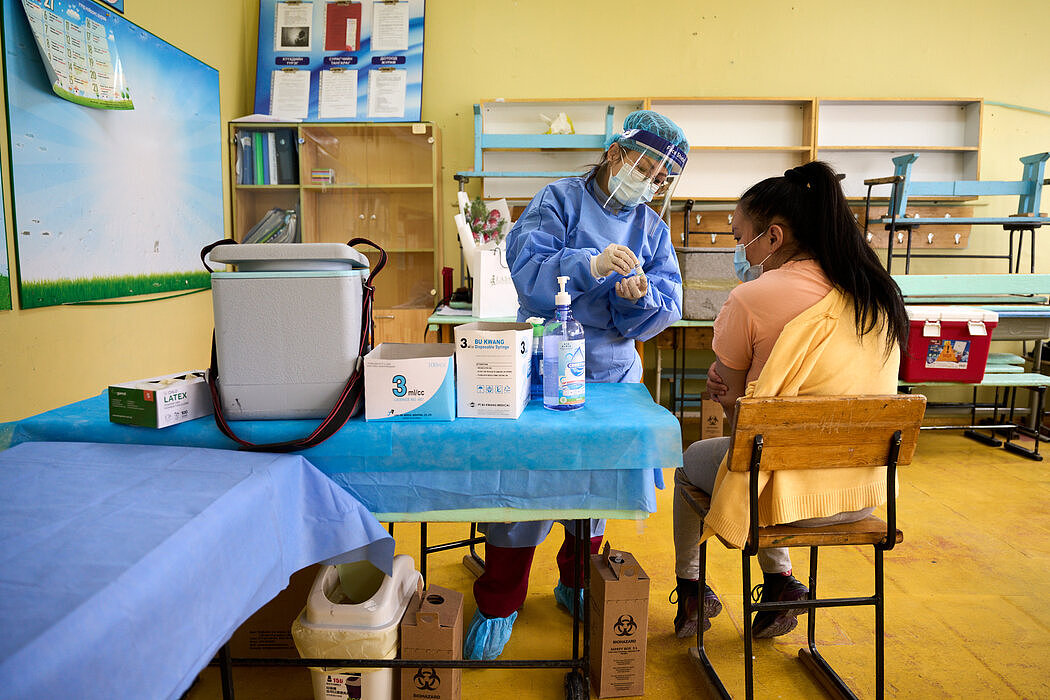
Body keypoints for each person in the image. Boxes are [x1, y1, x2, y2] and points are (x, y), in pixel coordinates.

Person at [463, 110, 690, 660]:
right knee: (523, 491)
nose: (651, 182)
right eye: (646, 166)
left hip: (612, 377)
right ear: (616, 152)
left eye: (662, 177)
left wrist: (638, 298)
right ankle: (500, 600)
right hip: (545, 369)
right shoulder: (559, 200)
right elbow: (525, 265)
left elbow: (668, 302)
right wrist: (589, 265)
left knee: (594, 490)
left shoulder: (652, 229)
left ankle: (577, 583)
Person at [670, 160, 909, 640]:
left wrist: (733, 391)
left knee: (698, 463)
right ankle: (779, 584)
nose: (739, 250)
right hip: (867, 490)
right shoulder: (876, 292)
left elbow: (740, 414)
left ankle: (693, 590)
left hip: (792, 493)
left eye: (741, 239)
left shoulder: (751, 297)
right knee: (765, 456)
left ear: (773, 238)